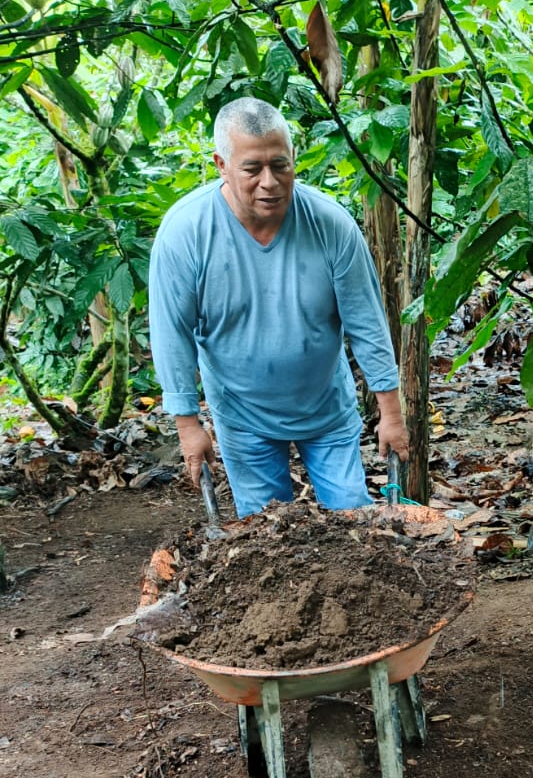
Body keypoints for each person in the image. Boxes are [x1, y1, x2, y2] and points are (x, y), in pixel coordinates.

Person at [148, 96, 409, 518]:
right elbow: (171, 333)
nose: (269, 182)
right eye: (252, 169)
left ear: (293, 158)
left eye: (280, 165)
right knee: (266, 530)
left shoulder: (330, 224)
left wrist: (391, 414)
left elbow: (366, 323)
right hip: (242, 414)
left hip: (325, 407)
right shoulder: (186, 233)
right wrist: (187, 424)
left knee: (354, 520)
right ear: (222, 165)